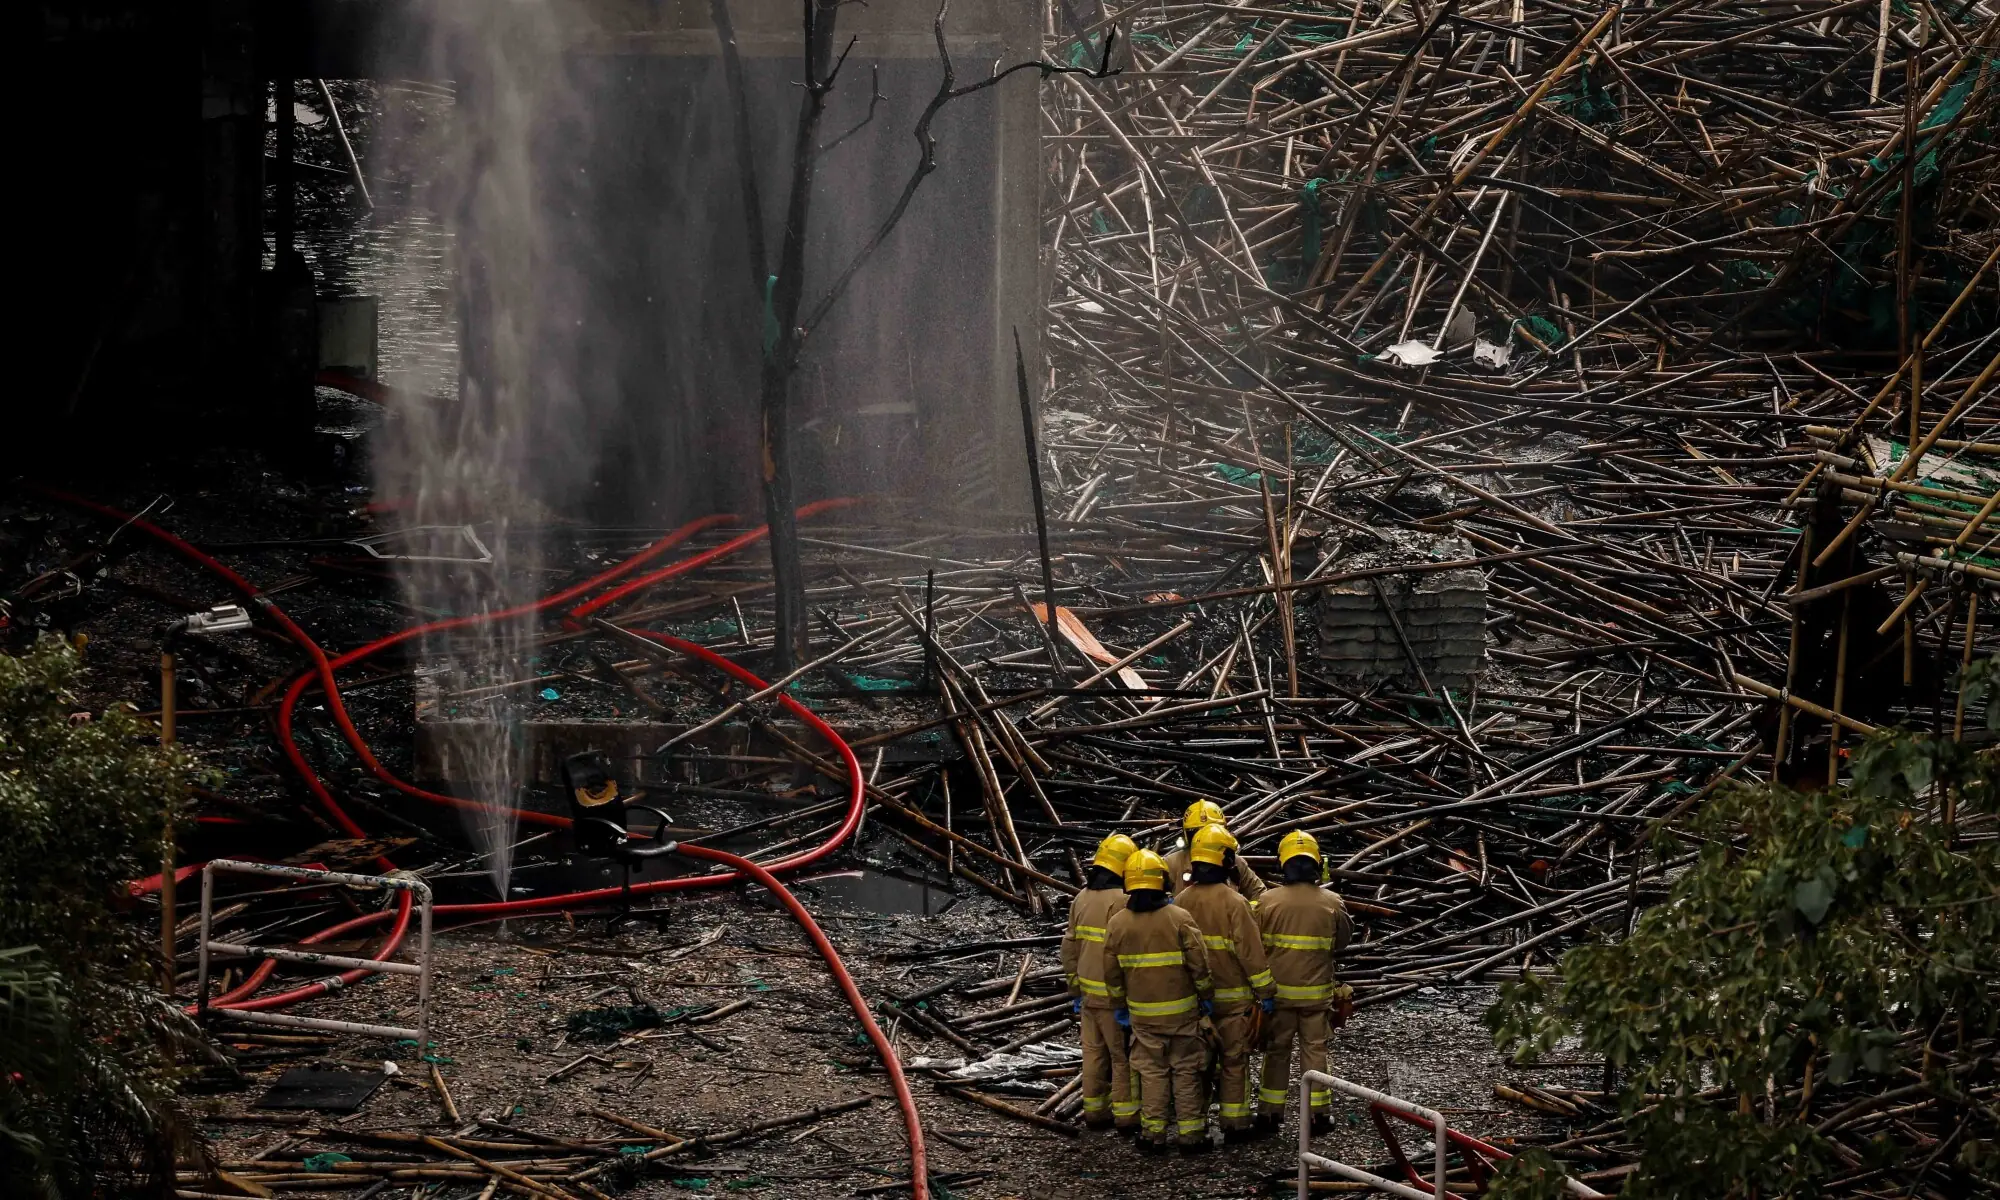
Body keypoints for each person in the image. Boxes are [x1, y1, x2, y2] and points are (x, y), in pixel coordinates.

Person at [1102, 849, 1214, 1153]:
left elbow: (1111, 975)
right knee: (1186, 1070)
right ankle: (1191, 1135)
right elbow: (1199, 966)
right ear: (1162, 881)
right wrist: (1206, 997)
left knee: (1152, 1073)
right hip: (1182, 1014)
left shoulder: (1117, 923)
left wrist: (1119, 1008)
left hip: (1142, 1017)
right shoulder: (1179, 918)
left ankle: (1153, 1134)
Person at [1174, 823, 1275, 1141]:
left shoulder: (1179, 902)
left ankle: (1193, 1127)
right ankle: (1235, 1125)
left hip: (1194, 1005)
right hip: (1233, 1004)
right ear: (1225, 860)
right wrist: (1267, 993)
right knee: (1234, 1063)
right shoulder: (1235, 904)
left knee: (1196, 1067)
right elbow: (1252, 956)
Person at [1255, 830, 1353, 1135]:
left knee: (1277, 1052)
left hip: (1278, 997)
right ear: (1317, 865)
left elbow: (1254, 946)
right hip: (1315, 997)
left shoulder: (1266, 901)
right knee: (1315, 1052)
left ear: (1283, 864)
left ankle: (1270, 1114)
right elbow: (1342, 943)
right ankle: (1319, 1116)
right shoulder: (1332, 902)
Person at [1063, 833, 1139, 1131]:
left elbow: (1069, 948)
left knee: (1093, 1054)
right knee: (1121, 1057)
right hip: (1113, 996)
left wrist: (1075, 988)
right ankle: (1127, 1115)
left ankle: (1095, 1112)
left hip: (1088, 995)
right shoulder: (1123, 901)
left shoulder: (1081, 898)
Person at [1162, 799, 1267, 900]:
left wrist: (1250, 910)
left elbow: (1259, 894)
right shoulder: (1171, 864)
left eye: (1212, 832)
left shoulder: (1235, 862)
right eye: (1197, 832)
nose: (1205, 837)